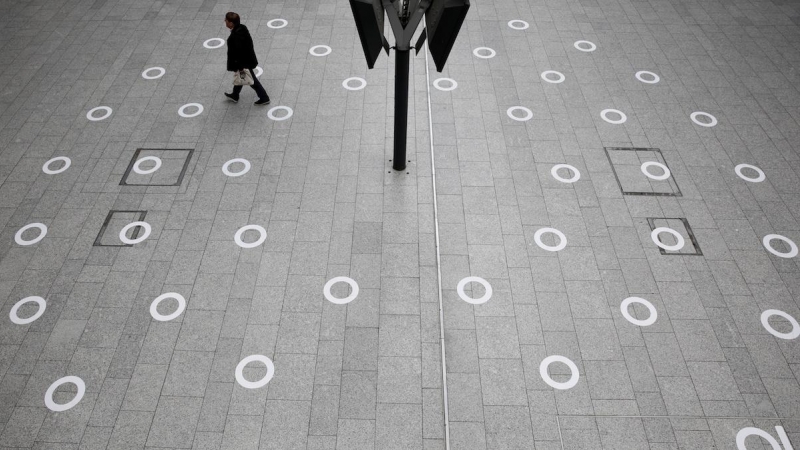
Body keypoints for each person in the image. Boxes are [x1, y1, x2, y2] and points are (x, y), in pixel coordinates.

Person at [224, 12, 270, 105]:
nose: (225, 21)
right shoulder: (243, 28)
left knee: (251, 80)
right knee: (241, 78)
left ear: (231, 23)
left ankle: (264, 97)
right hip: (248, 59)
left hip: (243, 63)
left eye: (226, 20)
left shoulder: (234, 37)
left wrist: (239, 67)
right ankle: (235, 95)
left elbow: (238, 53)